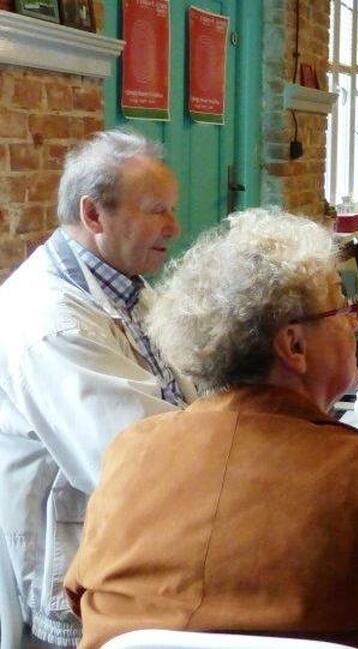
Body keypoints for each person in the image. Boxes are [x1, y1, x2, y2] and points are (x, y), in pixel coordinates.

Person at [64, 209, 358, 649]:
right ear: (294, 345)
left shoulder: (131, 452)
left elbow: (81, 592)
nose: (356, 323)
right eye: (344, 308)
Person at [0, 129, 192, 647]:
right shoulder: (51, 322)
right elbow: (134, 467)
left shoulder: (126, 286)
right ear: (93, 214)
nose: (174, 226)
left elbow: (184, 389)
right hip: (78, 567)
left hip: (137, 536)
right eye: (157, 210)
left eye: (172, 209)